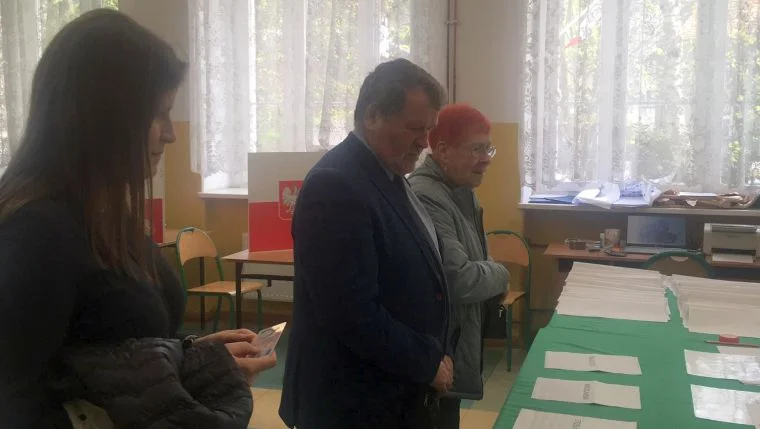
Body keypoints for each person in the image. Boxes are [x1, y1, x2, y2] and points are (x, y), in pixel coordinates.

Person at [0, 10, 275, 428]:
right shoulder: (35, 235)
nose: (171, 133)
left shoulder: (105, 216)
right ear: (103, 118)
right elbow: (16, 403)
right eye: (158, 114)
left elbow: (114, 352)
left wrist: (193, 358)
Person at [279, 58, 454, 429]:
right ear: (373, 115)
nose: (424, 142)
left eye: (429, 129)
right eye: (415, 128)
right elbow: (351, 315)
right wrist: (427, 361)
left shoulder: (388, 172)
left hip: (392, 389)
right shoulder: (335, 185)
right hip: (353, 402)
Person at [408, 104, 509, 429]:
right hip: (436, 354)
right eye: (476, 149)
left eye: (488, 148)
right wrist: (502, 274)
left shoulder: (462, 190)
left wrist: (488, 273)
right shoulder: (428, 196)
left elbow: (477, 262)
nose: (487, 159)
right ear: (442, 151)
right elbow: (460, 279)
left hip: (455, 343)